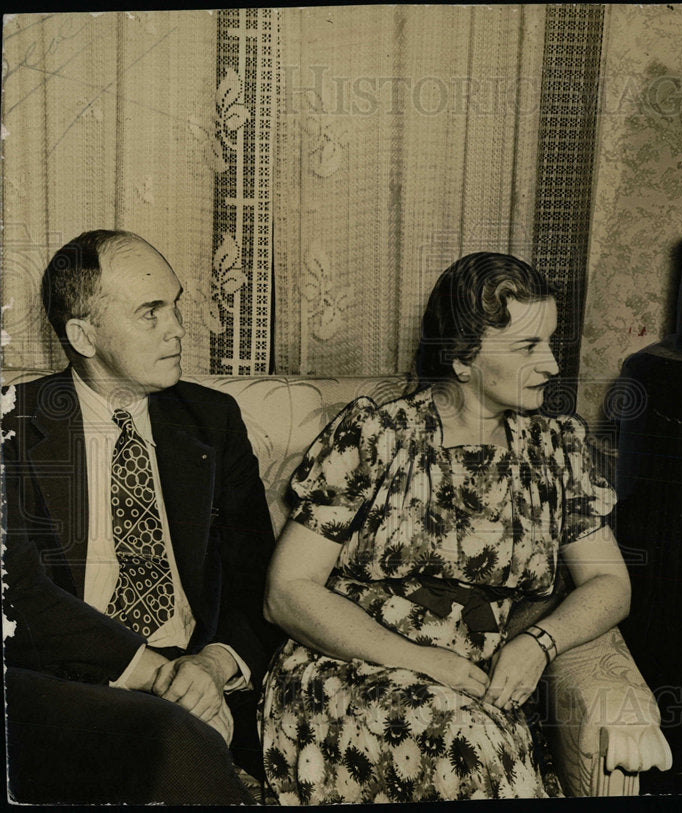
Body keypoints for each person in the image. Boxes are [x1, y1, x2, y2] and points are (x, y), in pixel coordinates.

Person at [259, 252, 631, 803]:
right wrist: (429, 663)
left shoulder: (556, 449)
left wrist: (539, 642)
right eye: (528, 347)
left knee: (472, 739)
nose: (552, 365)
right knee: (468, 743)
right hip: (347, 678)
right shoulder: (376, 436)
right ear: (462, 359)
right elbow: (286, 594)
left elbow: (612, 584)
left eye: (549, 342)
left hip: (474, 693)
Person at [2, 230, 280, 803]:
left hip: (197, 671)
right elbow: (17, 590)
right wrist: (156, 676)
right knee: (170, 739)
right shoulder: (15, 427)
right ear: (84, 335)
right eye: (150, 313)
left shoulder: (212, 420)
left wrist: (212, 667)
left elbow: (257, 576)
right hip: (73, 676)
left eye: (175, 305)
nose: (178, 329)